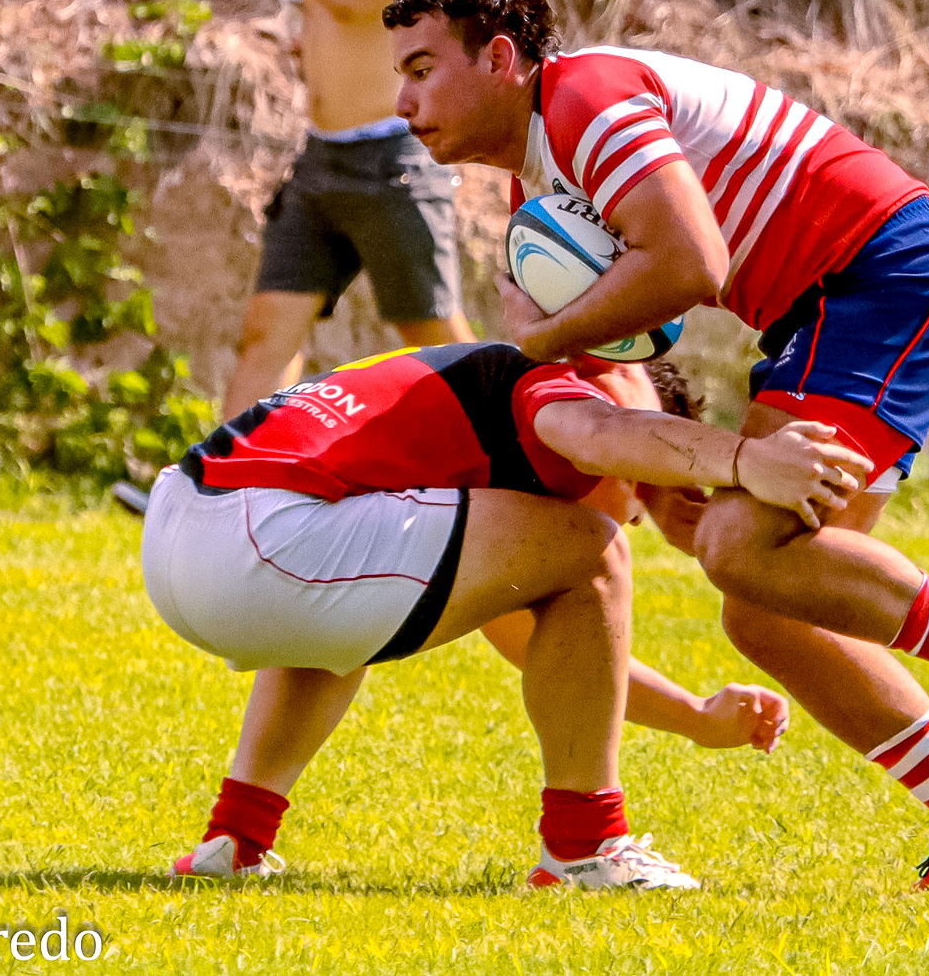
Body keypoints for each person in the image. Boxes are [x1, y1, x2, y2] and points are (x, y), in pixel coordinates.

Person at [381, 0, 929, 889]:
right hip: (823, 311)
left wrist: (539, 338)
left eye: (421, 69)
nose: (403, 102)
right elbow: (619, 361)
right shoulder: (538, 200)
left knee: (743, 545)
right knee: (766, 603)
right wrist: (656, 471)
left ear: (497, 58)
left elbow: (690, 261)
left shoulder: (583, 98)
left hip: (883, 276)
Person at [144, 342, 865, 888]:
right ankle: (586, 847)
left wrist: (697, 717)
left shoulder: (482, 401)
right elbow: (602, 434)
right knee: (593, 547)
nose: (636, 515)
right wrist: (742, 461)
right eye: (645, 496)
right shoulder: (569, 382)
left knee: (342, 618)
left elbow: (530, 639)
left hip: (184, 528)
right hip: (260, 537)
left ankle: (236, 840)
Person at [225, 0, 472, 419]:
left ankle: (509, 451)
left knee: (434, 341)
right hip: (321, 158)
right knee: (266, 333)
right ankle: (229, 472)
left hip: (394, 161)